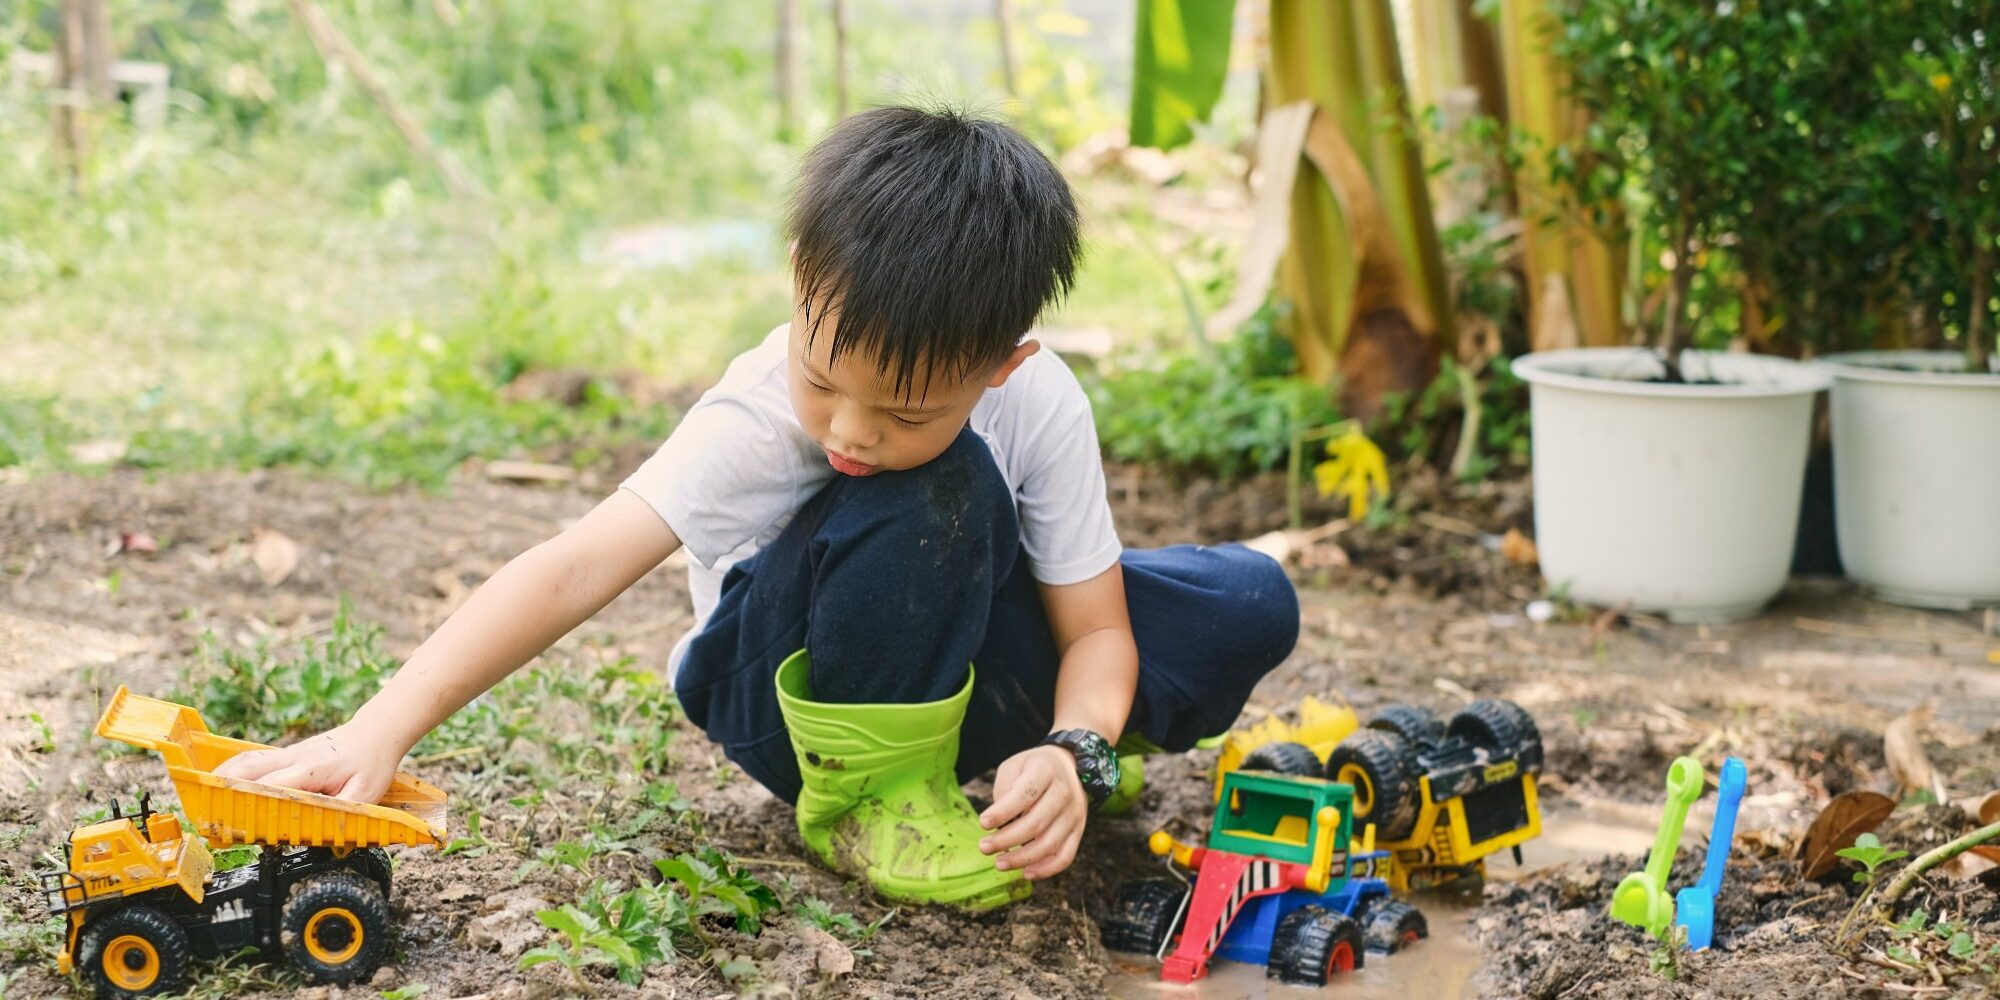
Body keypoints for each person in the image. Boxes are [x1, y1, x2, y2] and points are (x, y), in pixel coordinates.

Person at [216, 104, 1299, 911]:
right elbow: (574, 565)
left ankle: (1023, 784)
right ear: (798, 278)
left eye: (906, 409)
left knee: (1245, 599)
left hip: (950, 654)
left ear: (1002, 365)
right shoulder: (752, 417)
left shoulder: (1043, 401)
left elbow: (1095, 629)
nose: (849, 433)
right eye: (822, 382)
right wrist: (376, 728)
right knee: (941, 482)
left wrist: (1075, 748)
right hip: (777, 690)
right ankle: (869, 800)